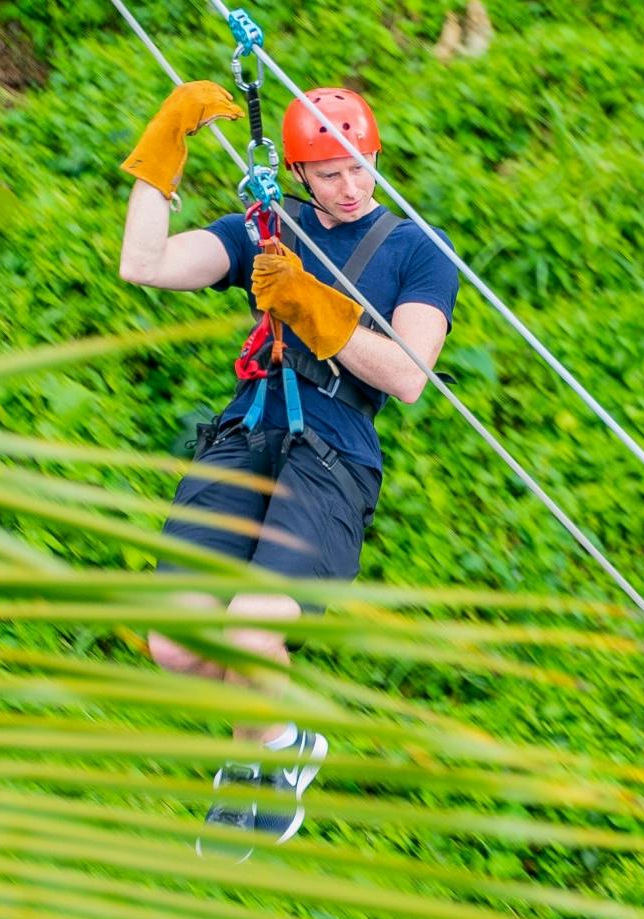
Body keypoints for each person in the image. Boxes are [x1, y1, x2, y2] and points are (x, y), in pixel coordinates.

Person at [117, 80, 460, 857]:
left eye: (361, 165)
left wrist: (310, 305)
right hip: (245, 434)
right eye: (332, 173)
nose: (351, 185)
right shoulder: (268, 230)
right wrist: (163, 149)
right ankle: (281, 739)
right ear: (301, 175)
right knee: (175, 646)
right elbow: (144, 263)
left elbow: (408, 375)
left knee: (249, 630)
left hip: (332, 454)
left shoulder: (415, 252)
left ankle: (259, 762)